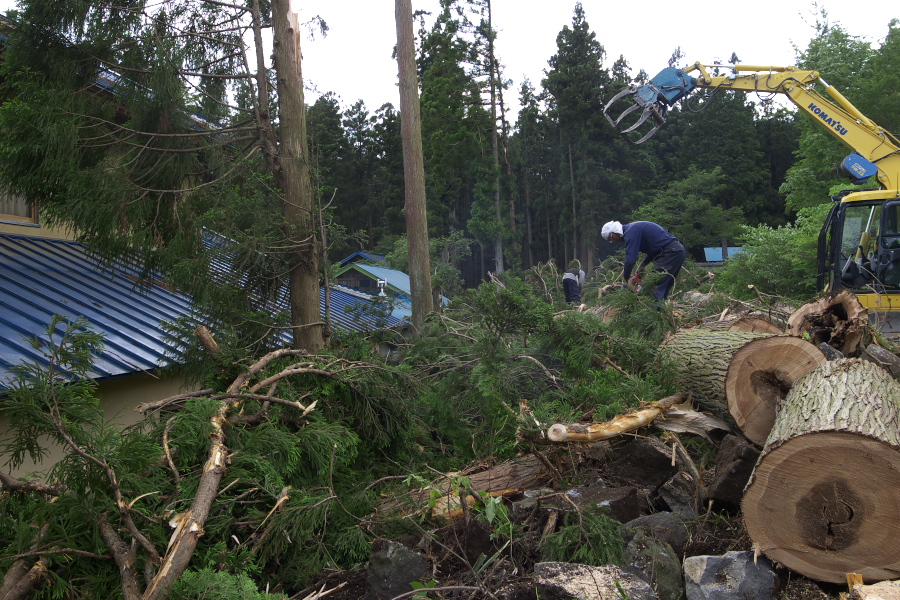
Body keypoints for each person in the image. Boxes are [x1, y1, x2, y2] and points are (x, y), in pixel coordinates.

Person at [601, 220, 686, 302]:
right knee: (663, 286)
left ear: (614, 232)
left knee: (652, 285)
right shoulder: (633, 229)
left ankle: (653, 312)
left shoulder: (630, 232)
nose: (613, 241)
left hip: (671, 252)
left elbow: (630, 261)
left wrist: (625, 280)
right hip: (677, 251)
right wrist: (642, 266)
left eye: (611, 238)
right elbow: (655, 250)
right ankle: (660, 312)